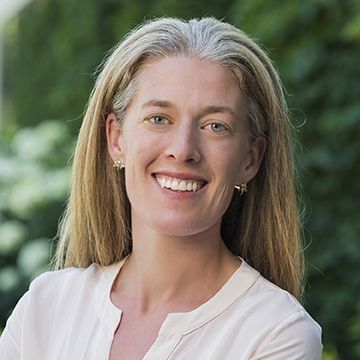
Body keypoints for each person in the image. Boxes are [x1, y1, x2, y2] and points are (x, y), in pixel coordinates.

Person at [0, 17, 322, 359]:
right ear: (116, 138)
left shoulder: (276, 333)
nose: (183, 149)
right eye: (158, 119)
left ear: (250, 159)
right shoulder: (45, 308)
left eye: (216, 126)